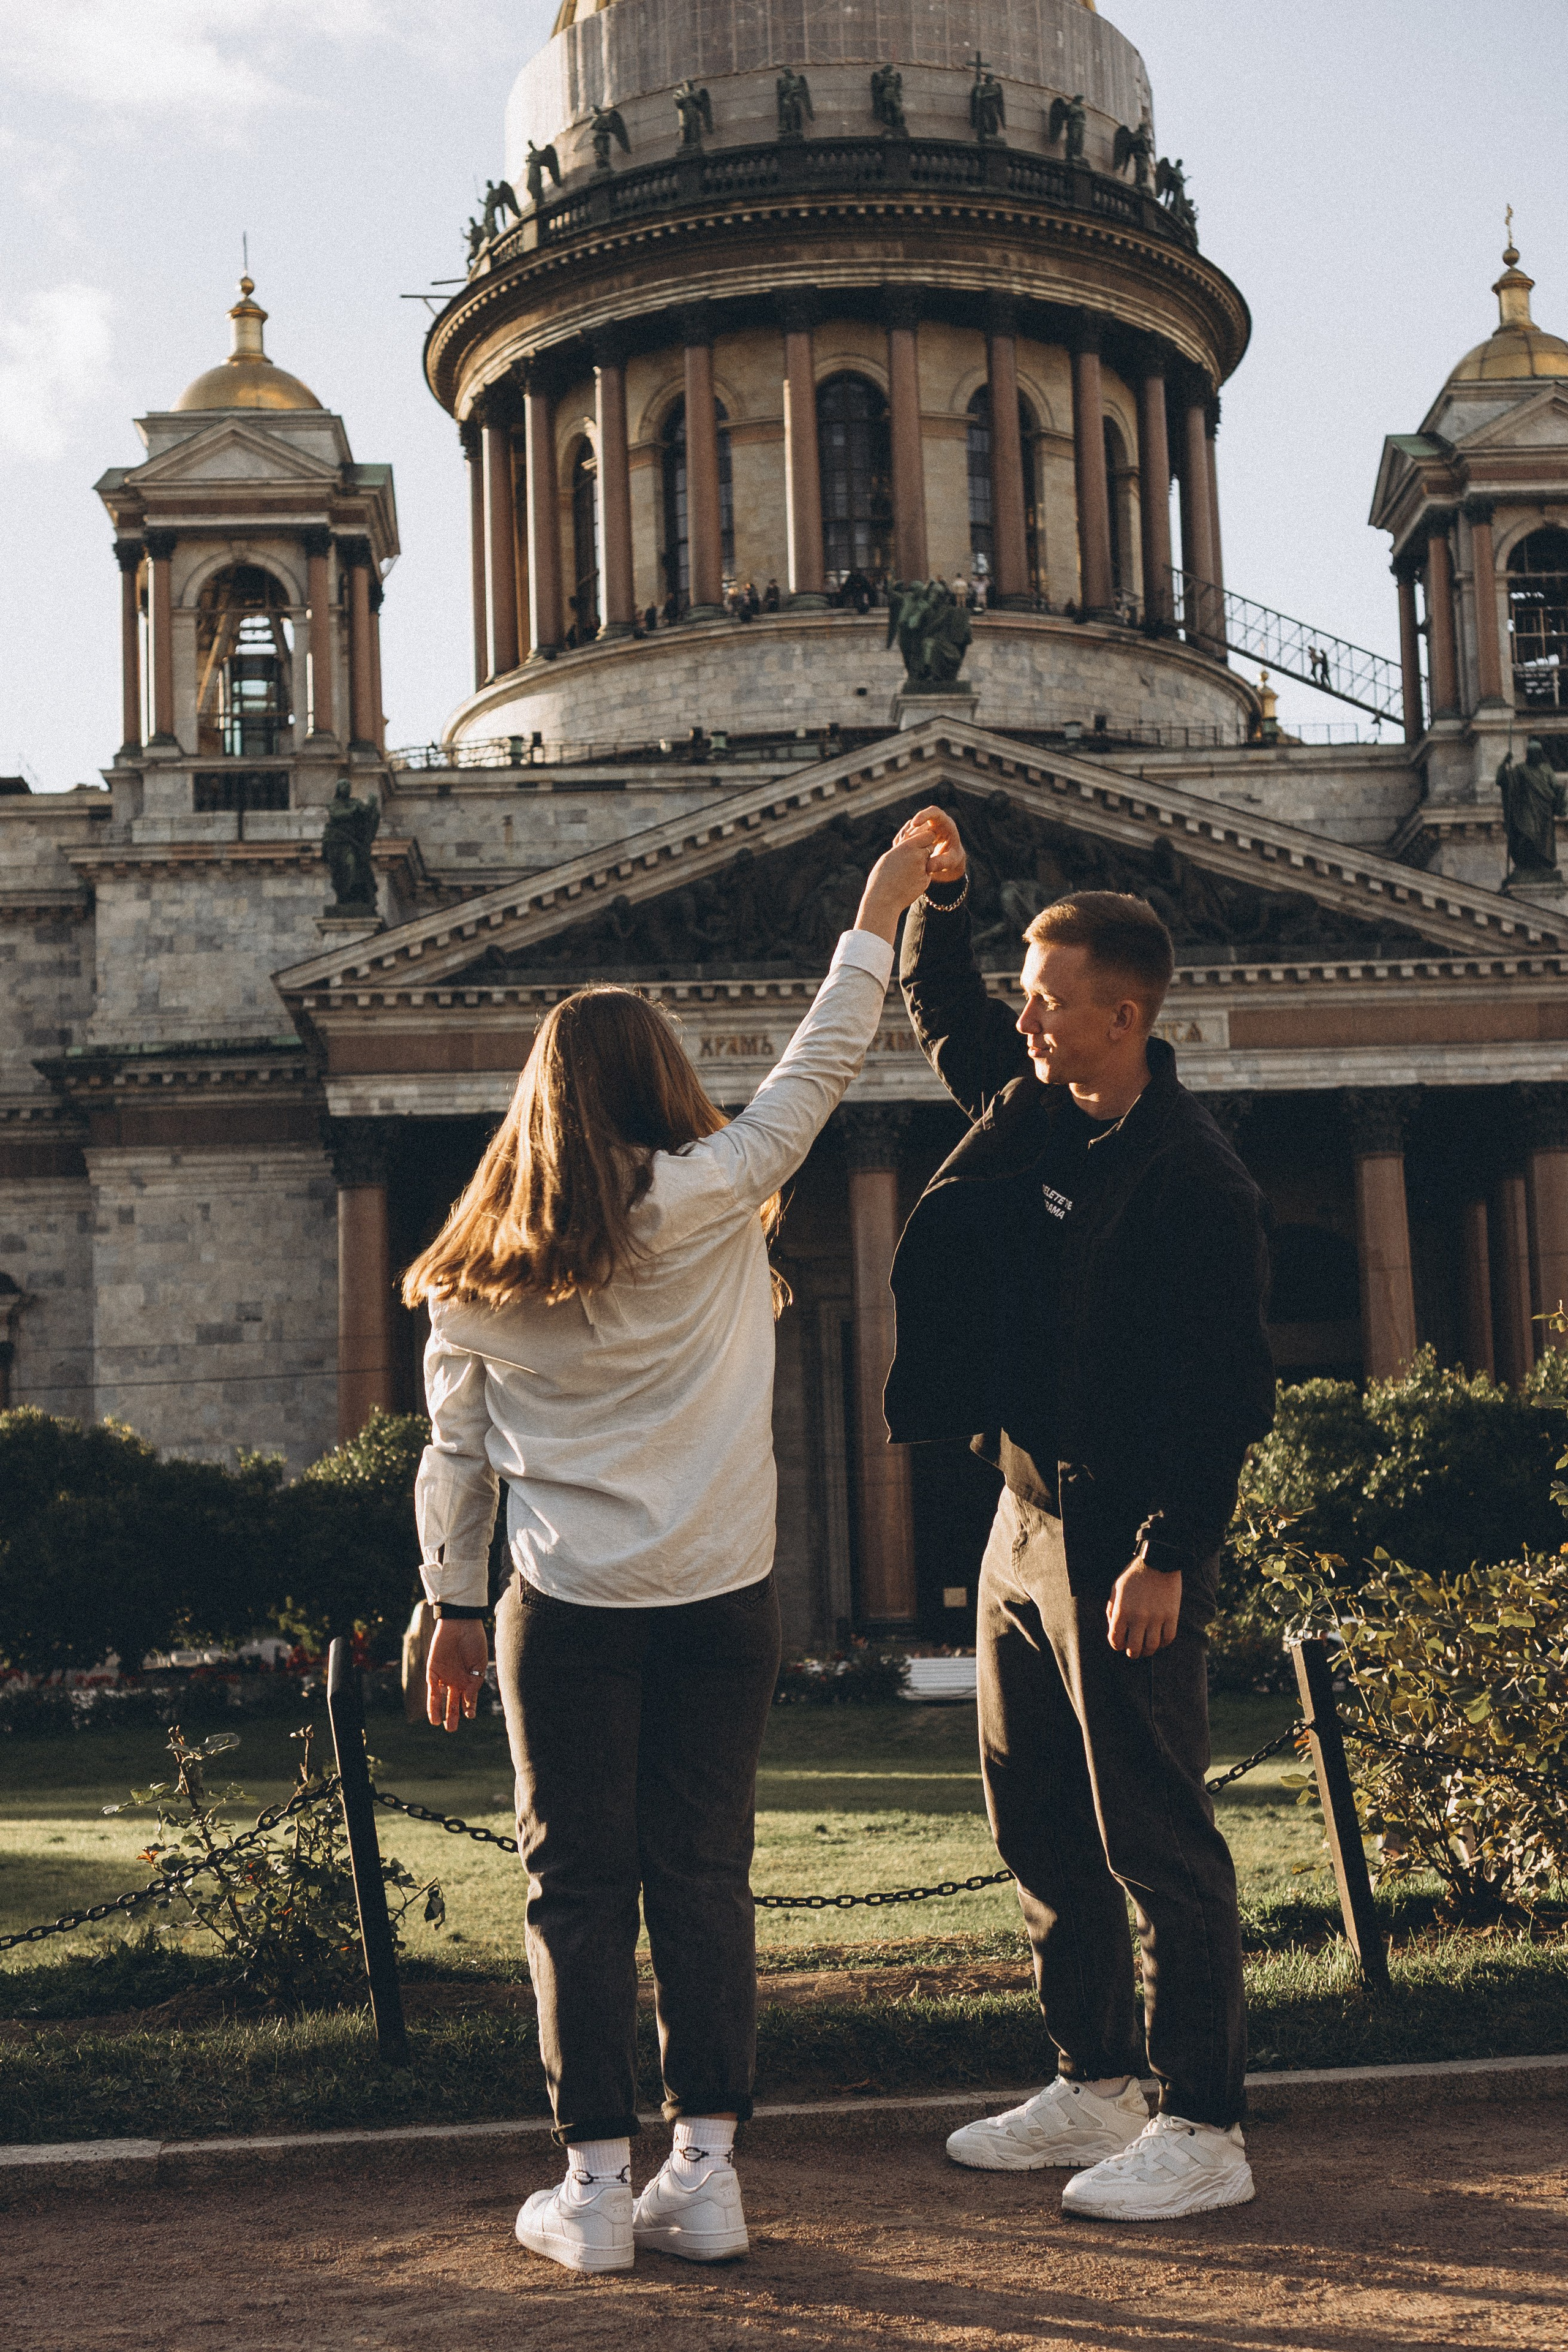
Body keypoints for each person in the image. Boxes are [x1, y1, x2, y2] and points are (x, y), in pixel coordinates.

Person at [405, 823, 941, 2277]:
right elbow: (824, 1060)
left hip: (564, 1607)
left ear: (536, 1102)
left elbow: (454, 1460)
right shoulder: (712, 1198)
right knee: (705, 1875)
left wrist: (452, 1607)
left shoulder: (472, 1277)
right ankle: (703, 2174)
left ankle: (590, 2189)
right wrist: (879, 903)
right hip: (722, 1601)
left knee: (573, 1887)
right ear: (661, 1081)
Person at [884, 805, 1275, 2222]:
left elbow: (1226, 1394)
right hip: (1022, 1517)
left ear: (1123, 1016)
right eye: (1025, 997)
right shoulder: (1034, 1100)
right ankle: (1094, 2080)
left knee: (1154, 1838)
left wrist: (1167, 1555)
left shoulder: (1195, 1179)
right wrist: (940, 897)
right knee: (1037, 1818)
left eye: (1045, 1001)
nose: (1022, 1019)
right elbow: (940, 1010)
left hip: (1126, 1542)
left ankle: (1203, 2124)